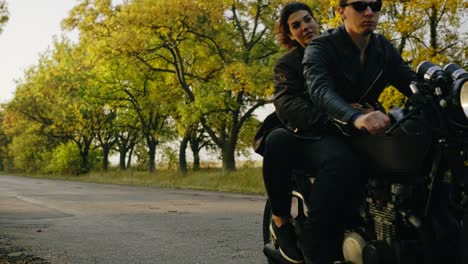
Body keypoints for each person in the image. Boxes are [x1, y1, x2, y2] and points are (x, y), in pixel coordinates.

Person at [298, 0, 417, 263]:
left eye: (375, 6)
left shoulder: (382, 48)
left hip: (366, 127)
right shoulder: (322, 46)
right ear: (340, 11)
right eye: (360, 5)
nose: (369, 12)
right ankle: (317, 252)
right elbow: (320, 90)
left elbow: (410, 81)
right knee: (341, 165)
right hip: (327, 127)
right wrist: (354, 116)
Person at [261, 2, 320, 264]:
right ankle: (280, 221)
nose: (305, 27)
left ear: (316, 21)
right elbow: (287, 103)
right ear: (290, 35)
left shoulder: (339, 51)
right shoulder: (287, 64)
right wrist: (331, 116)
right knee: (278, 140)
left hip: (349, 129)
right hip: (309, 130)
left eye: (308, 20)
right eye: (296, 25)